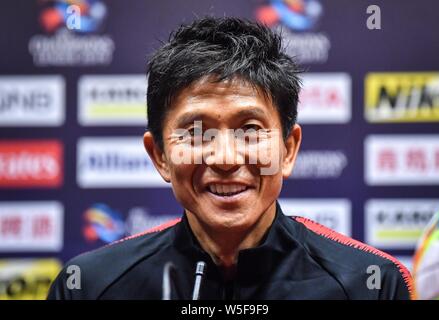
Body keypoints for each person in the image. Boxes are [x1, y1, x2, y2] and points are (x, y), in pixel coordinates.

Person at [48, 17, 413, 300]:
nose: (225, 158)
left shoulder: (372, 284)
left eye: (250, 130)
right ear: (159, 155)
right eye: (195, 132)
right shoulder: (89, 287)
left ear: (288, 149)